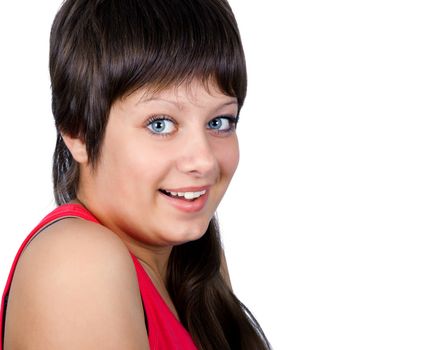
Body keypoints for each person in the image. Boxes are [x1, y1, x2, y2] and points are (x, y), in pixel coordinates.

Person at [1, 0, 271, 349]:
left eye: (219, 122)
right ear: (78, 133)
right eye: (160, 124)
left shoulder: (197, 261)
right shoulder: (78, 262)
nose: (203, 160)